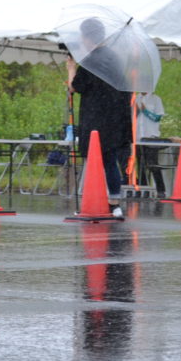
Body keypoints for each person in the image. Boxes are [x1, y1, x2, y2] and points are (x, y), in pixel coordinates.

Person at [66, 20, 131, 217]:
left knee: (93, 159)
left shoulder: (90, 61)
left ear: (87, 37)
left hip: (95, 118)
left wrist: (70, 68)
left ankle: (92, 201)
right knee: (110, 159)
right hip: (115, 118)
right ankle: (115, 203)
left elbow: (75, 87)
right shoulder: (115, 59)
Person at [135, 91, 168, 194]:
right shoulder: (136, 98)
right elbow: (132, 117)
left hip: (151, 136)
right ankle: (143, 189)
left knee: (153, 164)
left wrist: (146, 111)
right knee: (141, 165)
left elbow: (157, 118)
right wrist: (137, 111)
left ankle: (161, 189)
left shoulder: (156, 99)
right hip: (138, 137)